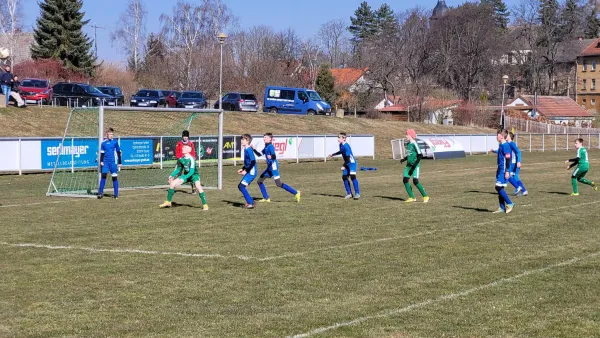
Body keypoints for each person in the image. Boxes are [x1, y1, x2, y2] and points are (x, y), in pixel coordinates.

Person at [252, 133, 301, 203]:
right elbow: (259, 154)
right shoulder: (266, 147)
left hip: (273, 167)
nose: (264, 138)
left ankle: (296, 193)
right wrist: (253, 149)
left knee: (278, 184)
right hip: (269, 168)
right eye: (264, 137)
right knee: (259, 181)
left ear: (270, 139)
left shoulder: (270, 146)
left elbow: (274, 156)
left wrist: (271, 157)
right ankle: (266, 198)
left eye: (266, 137)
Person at [159, 145, 208, 210]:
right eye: (183, 147)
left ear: (189, 150)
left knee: (198, 187)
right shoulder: (181, 159)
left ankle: (205, 205)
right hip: (186, 175)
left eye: (184, 147)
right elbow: (179, 169)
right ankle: (168, 202)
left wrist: (183, 178)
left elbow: (192, 171)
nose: (182, 148)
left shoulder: (192, 159)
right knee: (172, 184)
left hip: (194, 175)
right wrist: (171, 175)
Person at [400, 129, 429, 203]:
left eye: (407, 134)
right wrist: (404, 159)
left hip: (415, 166)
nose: (406, 136)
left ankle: (425, 196)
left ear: (410, 136)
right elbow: (410, 154)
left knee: (415, 181)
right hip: (408, 166)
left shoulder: (414, 144)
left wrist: (415, 165)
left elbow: (420, 155)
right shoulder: (408, 144)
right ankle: (412, 197)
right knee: (405, 180)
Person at [328, 132, 360, 200]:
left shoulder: (346, 146)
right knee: (344, 177)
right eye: (338, 137)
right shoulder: (341, 145)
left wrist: (343, 166)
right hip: (347, 163)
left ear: (344, 138)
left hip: (352, 163)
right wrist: (332, 154)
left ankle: (357, 193)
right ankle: (349, 194)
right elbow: (341, 151)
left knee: (352, 177)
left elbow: (348, 159)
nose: (338, 139)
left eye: (339, 137)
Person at [491, 129, 514, 213]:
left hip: (504, 170)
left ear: (501, 136)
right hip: (500, 169)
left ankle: (510, 203)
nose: (496, 136)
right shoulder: (501, 145)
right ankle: (502, 207)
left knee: (498, 187)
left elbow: (508, 159)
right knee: (500, 188)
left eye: (497, 135)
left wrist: (507, 171)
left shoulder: (505, 146)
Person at [98, 128, 122, 199]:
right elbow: (102, 153)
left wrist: (119, 162)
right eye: (110, 134)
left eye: (112, 134)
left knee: (114, 177)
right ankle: (100, 193)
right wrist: (101, 161)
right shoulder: (103, 143)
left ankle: (116, 194)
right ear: (106, 134)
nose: (111, 135)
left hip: (113, 163)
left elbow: (118, 152)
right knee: (103, 176)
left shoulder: (115, 142)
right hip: (105, 162)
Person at [238, 134, 257, 209]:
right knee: (241, 186)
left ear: (248, 141)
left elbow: (253, 162)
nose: (241, 141)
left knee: (241, 186)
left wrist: (246, 171)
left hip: (251, 172)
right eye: (241, 139)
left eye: (243, 139)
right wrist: (243, 168)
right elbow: (248, 162)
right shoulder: (246, 149)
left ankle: (250, 203)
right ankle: (251, 202)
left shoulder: (249, 149)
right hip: (249, 171)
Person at [506, 132, 527, 196]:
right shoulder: (508, 144)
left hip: (514, 163)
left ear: (510, 137)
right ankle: (524, 191)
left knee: (507, 176)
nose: (506, 136)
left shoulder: (512, 144)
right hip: (513, 163)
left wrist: (518, 161)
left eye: (507, 135)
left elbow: (518, 152)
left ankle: (518, 188)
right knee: (515, 177)